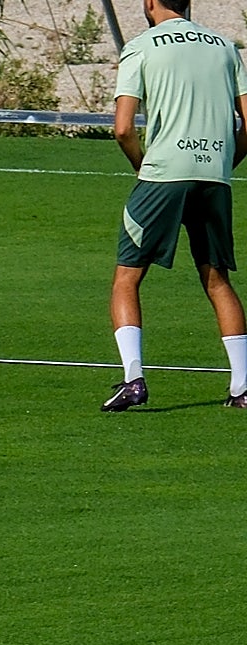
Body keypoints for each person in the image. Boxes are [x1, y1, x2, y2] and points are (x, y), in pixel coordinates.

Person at [102, 0, 247, 412]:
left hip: (163, 175)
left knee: (127, 278)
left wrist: (142, 166)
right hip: (214, 178)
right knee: (217, 279)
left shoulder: (142, 47)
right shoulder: (224, 47)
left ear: (149, 3)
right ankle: (242, 387)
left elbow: (123, 128)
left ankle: (133, 380)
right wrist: (221, 165)